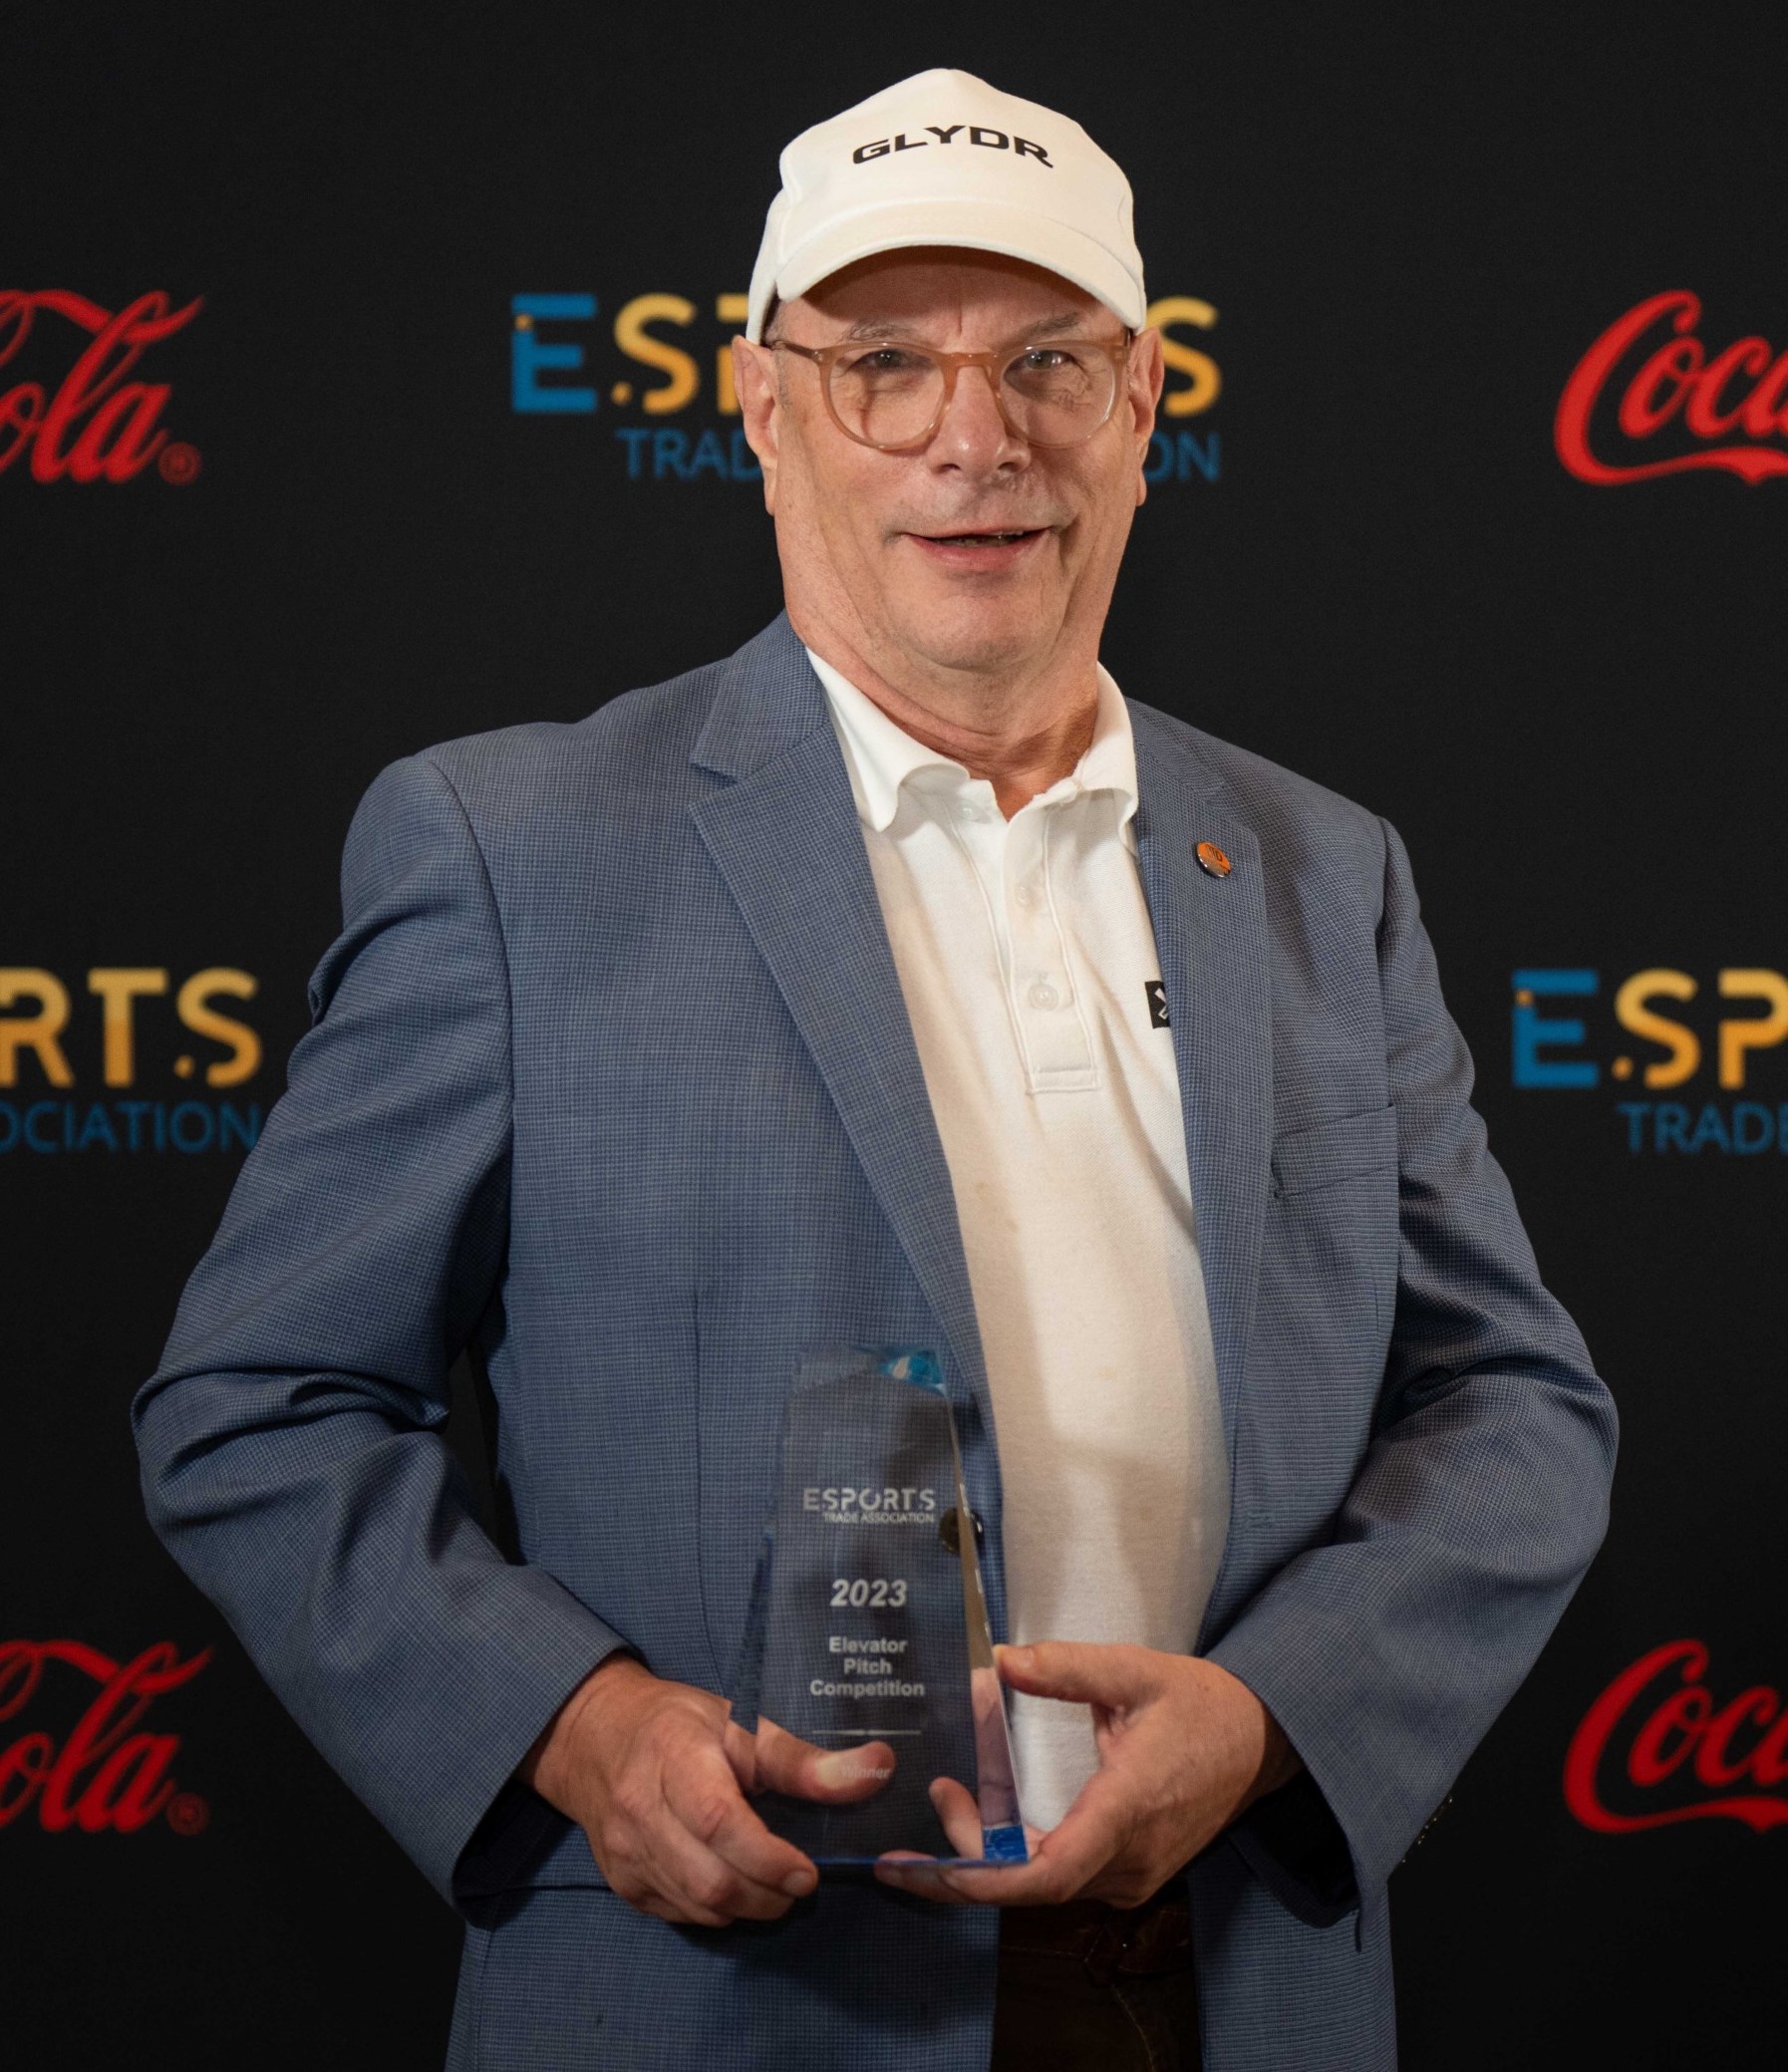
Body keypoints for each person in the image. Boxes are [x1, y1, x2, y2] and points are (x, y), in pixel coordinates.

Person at [132, 68, 1618, 2072]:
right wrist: (575, 1727)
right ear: (761, 409)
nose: (974, 440)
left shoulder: (1316, 869)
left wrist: (1277, 1722)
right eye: (885, 365)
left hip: (1219, 1982)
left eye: (1047, 364)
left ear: (1148, 397)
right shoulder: (511, 850)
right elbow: (259, 1400)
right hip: (727, 1997)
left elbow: (1515, 1402)